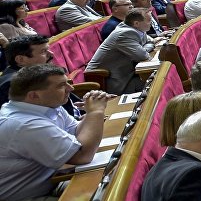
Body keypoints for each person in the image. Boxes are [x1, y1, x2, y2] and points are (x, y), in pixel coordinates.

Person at [0, 64, 115, 201]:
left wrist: (91, 113)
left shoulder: (46, 105)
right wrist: (96, 112)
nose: (70, 88)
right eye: (61, 86)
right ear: (34, 95)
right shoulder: (24, 125)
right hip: (27, 196)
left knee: (113, 176)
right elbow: (82, 156)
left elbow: (75, 132)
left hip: (51, 182)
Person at [86, 8, 163, 94]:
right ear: (136, 23)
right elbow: (143, 55)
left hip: (127, 73)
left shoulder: (136, 28)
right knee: (159, 84)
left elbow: (149, 42)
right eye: (149, 21)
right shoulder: (125, 33)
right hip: (114, 80)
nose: (151, 23)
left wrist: (147, 45)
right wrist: (149, 45)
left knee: (161, 77)